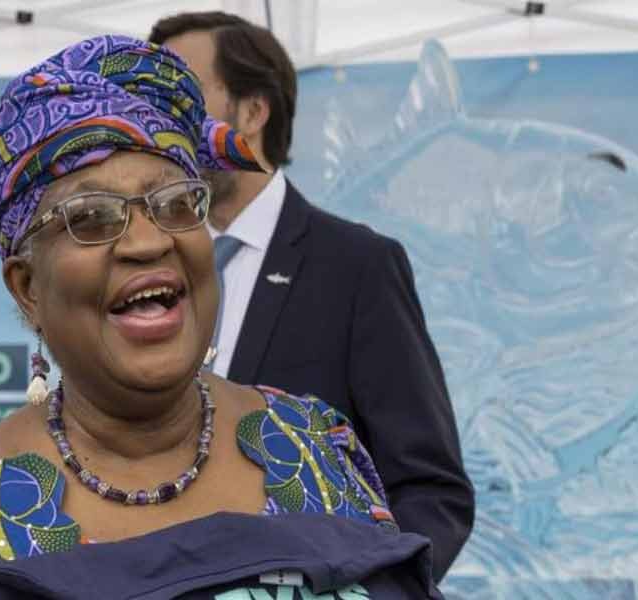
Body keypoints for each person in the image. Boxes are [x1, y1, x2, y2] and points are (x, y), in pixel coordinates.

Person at [0, 36, 442, 599]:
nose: (149, 242)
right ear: (27, 288)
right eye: (94, 217)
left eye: (176, 203)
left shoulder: (314, 449)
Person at [148, 12, 474, 581]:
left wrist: (369, 590)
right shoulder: (145, 269)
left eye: (183, 93)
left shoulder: (356, 266)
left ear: (252, 113)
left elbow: (430, 488)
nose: (158, 118)